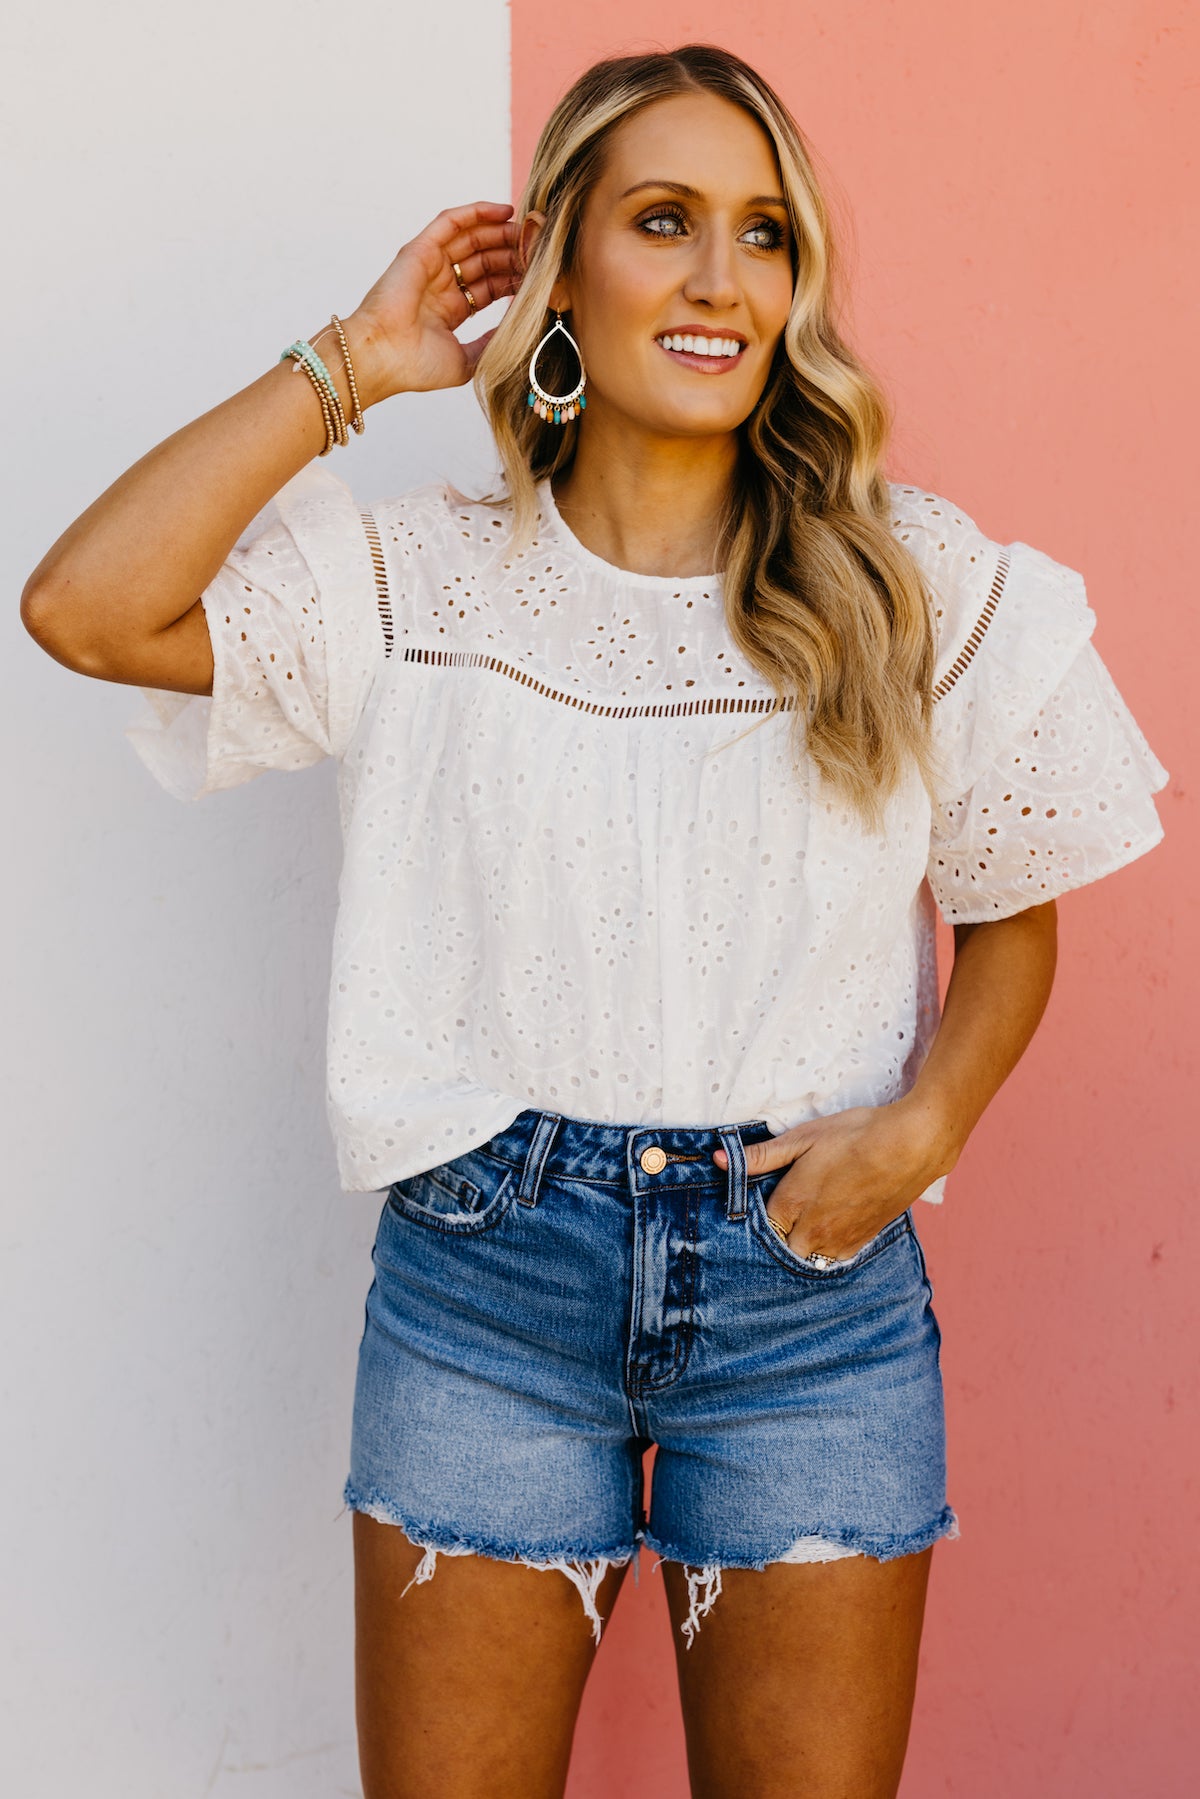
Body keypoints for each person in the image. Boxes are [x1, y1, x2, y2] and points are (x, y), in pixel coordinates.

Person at [20, 40, 1169, 1799]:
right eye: (663, 222)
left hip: (812, 1301)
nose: (724, 281)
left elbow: (1019, 907)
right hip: (487, 1284)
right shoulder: (419, 581)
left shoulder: (900, 577)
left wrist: (923, 1127)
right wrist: (359, 364)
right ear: (561, 264)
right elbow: (88, 609)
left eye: (766, 235)